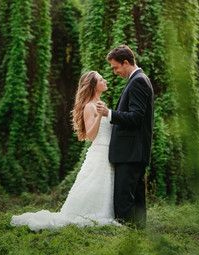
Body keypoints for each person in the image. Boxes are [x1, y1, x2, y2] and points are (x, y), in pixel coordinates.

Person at [10, 71, 120, 231]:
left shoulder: (101, 104)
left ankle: (104, 212)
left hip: (108, 152)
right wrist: (100, 117)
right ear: (93, 86)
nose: (105, 80)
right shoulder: (89, 106)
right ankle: (91, 214)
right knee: (93, 184)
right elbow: (91, 135)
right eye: (101, 79)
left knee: (104, 185)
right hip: (99, 152)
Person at [95, 45, 154, 229]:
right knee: (136, 199)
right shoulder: (139, 79)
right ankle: (138, 234)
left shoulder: (138, 81)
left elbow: (136, 117)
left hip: (131, 152)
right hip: (135, 152)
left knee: (124, 198)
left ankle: (128, 236)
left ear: (126, 62)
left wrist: (109, 113)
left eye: (116, 67)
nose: (115, 72)